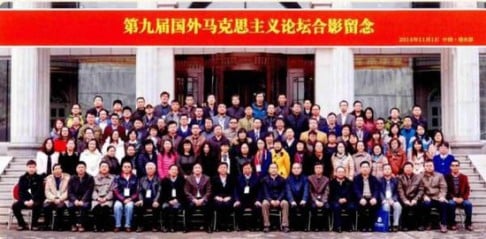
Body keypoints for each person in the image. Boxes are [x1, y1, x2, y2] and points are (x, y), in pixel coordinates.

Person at [12, 160, 44, 231]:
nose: (31, 169)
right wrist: (25, 201)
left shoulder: (39, 178)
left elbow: (39, 191)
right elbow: (21, 192)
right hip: (25, 200)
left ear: (36, 168)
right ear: (27, 168)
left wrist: (32, 200)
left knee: (39, 205)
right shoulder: (22, 178)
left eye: (33, 167)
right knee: (15, 206)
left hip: (35, 200)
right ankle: (22, 224)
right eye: (30, 167)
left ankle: (34, 224)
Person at [445, 160, 473, 231]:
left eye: (456, 165)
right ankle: (452, 223)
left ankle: (468, 224)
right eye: (453, 165)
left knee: (468, 204)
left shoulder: (464, 177)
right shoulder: (446, 177)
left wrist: (463, 198)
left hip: (462, 198)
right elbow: (445, 190)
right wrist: (453, 198)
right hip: (452, 198)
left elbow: (467, 189)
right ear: (450, 167)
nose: (455, 167)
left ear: (459, 166)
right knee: (451, 204)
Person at [184, 163, 213, 233]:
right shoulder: (189, 178)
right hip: (192, 199)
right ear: (193, 170)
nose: (197, 169)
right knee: (188, 207)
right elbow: (186, 191)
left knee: (208, 207)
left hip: (203, 198)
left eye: (199, 168)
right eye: (195, 168)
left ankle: (208, 226)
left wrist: (202, 199)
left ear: (201, 170)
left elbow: (209, 191)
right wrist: (194, 200)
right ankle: (187, 227)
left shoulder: (207, 178)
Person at [261, 163, 290, 233]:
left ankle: (285, 225)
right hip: (269, 199)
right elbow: (265, 192)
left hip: (279, 199)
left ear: (277, 169)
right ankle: (266, 225)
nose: (273, 169)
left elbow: (284, 191)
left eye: (275, 168)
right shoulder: (265, 180)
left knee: (285, 203)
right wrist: (270, 200)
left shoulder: (282, 179)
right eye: (271, 168)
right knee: (264, 203)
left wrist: (278, 200)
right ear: (268, 170)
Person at [421, 160, 448, 233]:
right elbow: (419, 188)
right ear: (424, 167)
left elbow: (443, 187)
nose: (429, 167)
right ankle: (428, 222)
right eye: (427, 166)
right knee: (425, 204)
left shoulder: (439, 175)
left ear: (433, 166)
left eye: (430, 166)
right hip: (427, 197)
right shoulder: (420, 176)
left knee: (443, 204)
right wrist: (424, 196)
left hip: (437, 197)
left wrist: (442, 196)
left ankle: (443, 224)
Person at [67, 161, 94, 232]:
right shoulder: (72, 178)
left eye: (82, 167)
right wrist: (75, 200)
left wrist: (83, 200)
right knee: (71, 206)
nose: (81, 169)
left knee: (84, 206)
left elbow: (89, 191)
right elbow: (70, 192)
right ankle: (73, 225)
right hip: (74, 198)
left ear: (85, 169)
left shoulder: (90, 178)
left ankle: (82, 224)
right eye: (79, 167)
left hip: (85, 198)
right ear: (76, 169)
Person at [353, 161, 380, 232]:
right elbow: (356, 190)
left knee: (373, 206)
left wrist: (374, 197)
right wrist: (361, 198)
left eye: (366, 167)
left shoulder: (374, 178)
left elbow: (376, 189)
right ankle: (363, 226)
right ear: (360, 169)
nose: (365, 169)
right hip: (361, 197)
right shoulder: (356, 178)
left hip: (371, 197)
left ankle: (371, 226)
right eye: (363, 167)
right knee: (361, 206)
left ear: (369, 168)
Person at [234, 162, 262, 231]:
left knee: (257, 207)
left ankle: (253, 226)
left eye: (248, 168)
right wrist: (237, 200)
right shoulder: (238, 178)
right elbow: (235, 190)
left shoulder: (257, 178)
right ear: (242, 170)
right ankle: (241, 226)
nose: (247, 170)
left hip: (253, 199)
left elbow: (260, 191)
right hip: (242, 199)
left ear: (252, 169)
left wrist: (258, 200)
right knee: (237, 207)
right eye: (245, 168)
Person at [135, 162, 161, 232]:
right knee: (138, 206)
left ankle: (154, 226)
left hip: (154, 199)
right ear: (146, 170)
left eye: (151, 168)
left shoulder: (158, 179)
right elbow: (139, 191)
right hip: (144, 199)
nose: (150, 170)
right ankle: (140, 226)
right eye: (148, 168)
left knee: (157, 206)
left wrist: (156, 200)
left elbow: (159, 191)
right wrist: (140, 199)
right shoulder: (142, 179)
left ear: (155, 169)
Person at [43, 164, 70, 230]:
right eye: (55, 169)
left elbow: (68, 191)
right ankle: (47, 225)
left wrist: (60, 199)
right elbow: (47, 191)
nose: (57, 170)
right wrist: (54, 198)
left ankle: (59, 225)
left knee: (60, 207)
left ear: (62, 170)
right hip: (51, 199)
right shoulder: (49, 178)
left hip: (63, 199)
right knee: (46, 206)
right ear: (53, 171)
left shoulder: (67, 178)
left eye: (59, 168)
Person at [397, 162, 424, 231]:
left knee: (419, 205)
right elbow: (400, 190)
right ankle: (405, 226)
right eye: (406, 168)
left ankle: (419, 225)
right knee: (405, 206)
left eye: (410, 167)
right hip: (404, 198)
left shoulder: (418, 177)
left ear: (412, 168)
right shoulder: (400, 178)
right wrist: (405, 200)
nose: (408, 169)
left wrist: (415, 199)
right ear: (403, 169)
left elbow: (421, 190)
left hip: (415, 197)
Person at [113, 161, 138, 232]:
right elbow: (115, 190)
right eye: (125, 167)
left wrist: (130, 199)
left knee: (129, 206)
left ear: (131, 168)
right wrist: (123, 199)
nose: (127, 168)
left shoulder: (135, 178)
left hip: (130, 199)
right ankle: (117, 225)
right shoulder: (117, 177)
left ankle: (128, 225)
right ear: (122, 168)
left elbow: (137, 191)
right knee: (117, 206)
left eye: (128, 167)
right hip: (120, 198)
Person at [329, 166, 356, 232]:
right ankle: (338, 227)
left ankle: (348, 226)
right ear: (336, 173)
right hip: (335, 201)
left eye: (342, 172)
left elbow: (352, 193)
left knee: (351, 207)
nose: (340, 173)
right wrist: (338, 199)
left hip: (347, 200)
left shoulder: (349, 182)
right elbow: (331, 194)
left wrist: (346, 199)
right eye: (339, 172)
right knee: (336, 207)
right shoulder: (332, 183)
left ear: (345, 173)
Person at [160, 164, 186, 232]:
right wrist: (169, 201)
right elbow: (163, 193)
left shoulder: (182, 180)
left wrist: (177, 200)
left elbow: (183, 193)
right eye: (172, 169)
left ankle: (173, 226)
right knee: (165, 207)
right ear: (169, 171)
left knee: (175, 208)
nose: (174, 171)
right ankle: (165, 226)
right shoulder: (164, 180)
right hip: (167, 200)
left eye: (175, 170)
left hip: (178, 200)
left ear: (177, 171)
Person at [211, 163, 236, 231]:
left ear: (227, 169)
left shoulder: (231, 178)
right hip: (217, 197)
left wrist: (230, 197)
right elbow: (212, 190)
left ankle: (227, 225)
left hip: (229, 197)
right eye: (221, 167)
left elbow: (234, 190)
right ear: (218, 169)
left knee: (227, 204)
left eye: (225, 167)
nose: (223, 169)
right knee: (219, 204)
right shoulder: (214, 178)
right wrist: (216, 197)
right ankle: (219, 225)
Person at [91, 161, 115, 232]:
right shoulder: (94, 178)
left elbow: (112, 190)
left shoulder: (112, 178)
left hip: (107, 199)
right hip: (97, 199)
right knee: (96, 209)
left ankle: (103, 226)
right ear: (99, 168)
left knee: (105, 209)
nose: (104, 168)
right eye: (102, 167)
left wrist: (106, 198)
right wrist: (97, 198)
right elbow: (93, 190)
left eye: (106, 167)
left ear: (108, 168)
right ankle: (96, 225)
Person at [286, 163, 309, 231]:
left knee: (305, 206)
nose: (296, 170)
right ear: (291, 170)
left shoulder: (305, 178)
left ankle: (304, 226)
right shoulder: (288, 179)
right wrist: (291, 200)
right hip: (292, 198)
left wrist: (304, 199)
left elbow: (306, 189)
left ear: (301, 169)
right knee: (291, 206)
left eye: (298, 168)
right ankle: (293, 226)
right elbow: (288, 191)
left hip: (302, 198)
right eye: (294, 168)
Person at [379, 164, 402, 232]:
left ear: (391, 171)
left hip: (392, 199)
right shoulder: (379, 180)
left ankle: (395, 225)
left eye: (389, 169)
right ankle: (388, 225)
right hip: (384, 200)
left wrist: (393, 199)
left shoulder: (395, 180)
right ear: (383, 171)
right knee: (386, 206)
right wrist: (383, 199)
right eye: (385, 169)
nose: (387, 170)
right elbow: (380, 191)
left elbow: (397, 192)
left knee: (398, 206)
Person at [307, 162, 330, 231]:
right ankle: (315, 226)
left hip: (323, 199)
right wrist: (315, 201)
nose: (318, 169)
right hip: (313, 199)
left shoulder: (326, 179)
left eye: (320, 168)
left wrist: (323, 201)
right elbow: (310, 191)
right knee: (313, 207)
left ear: (322, 169)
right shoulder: (310, 178)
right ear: (314, 169)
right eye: (316, 168)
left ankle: (324, 226)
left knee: (327, 207)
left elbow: (327, 191)